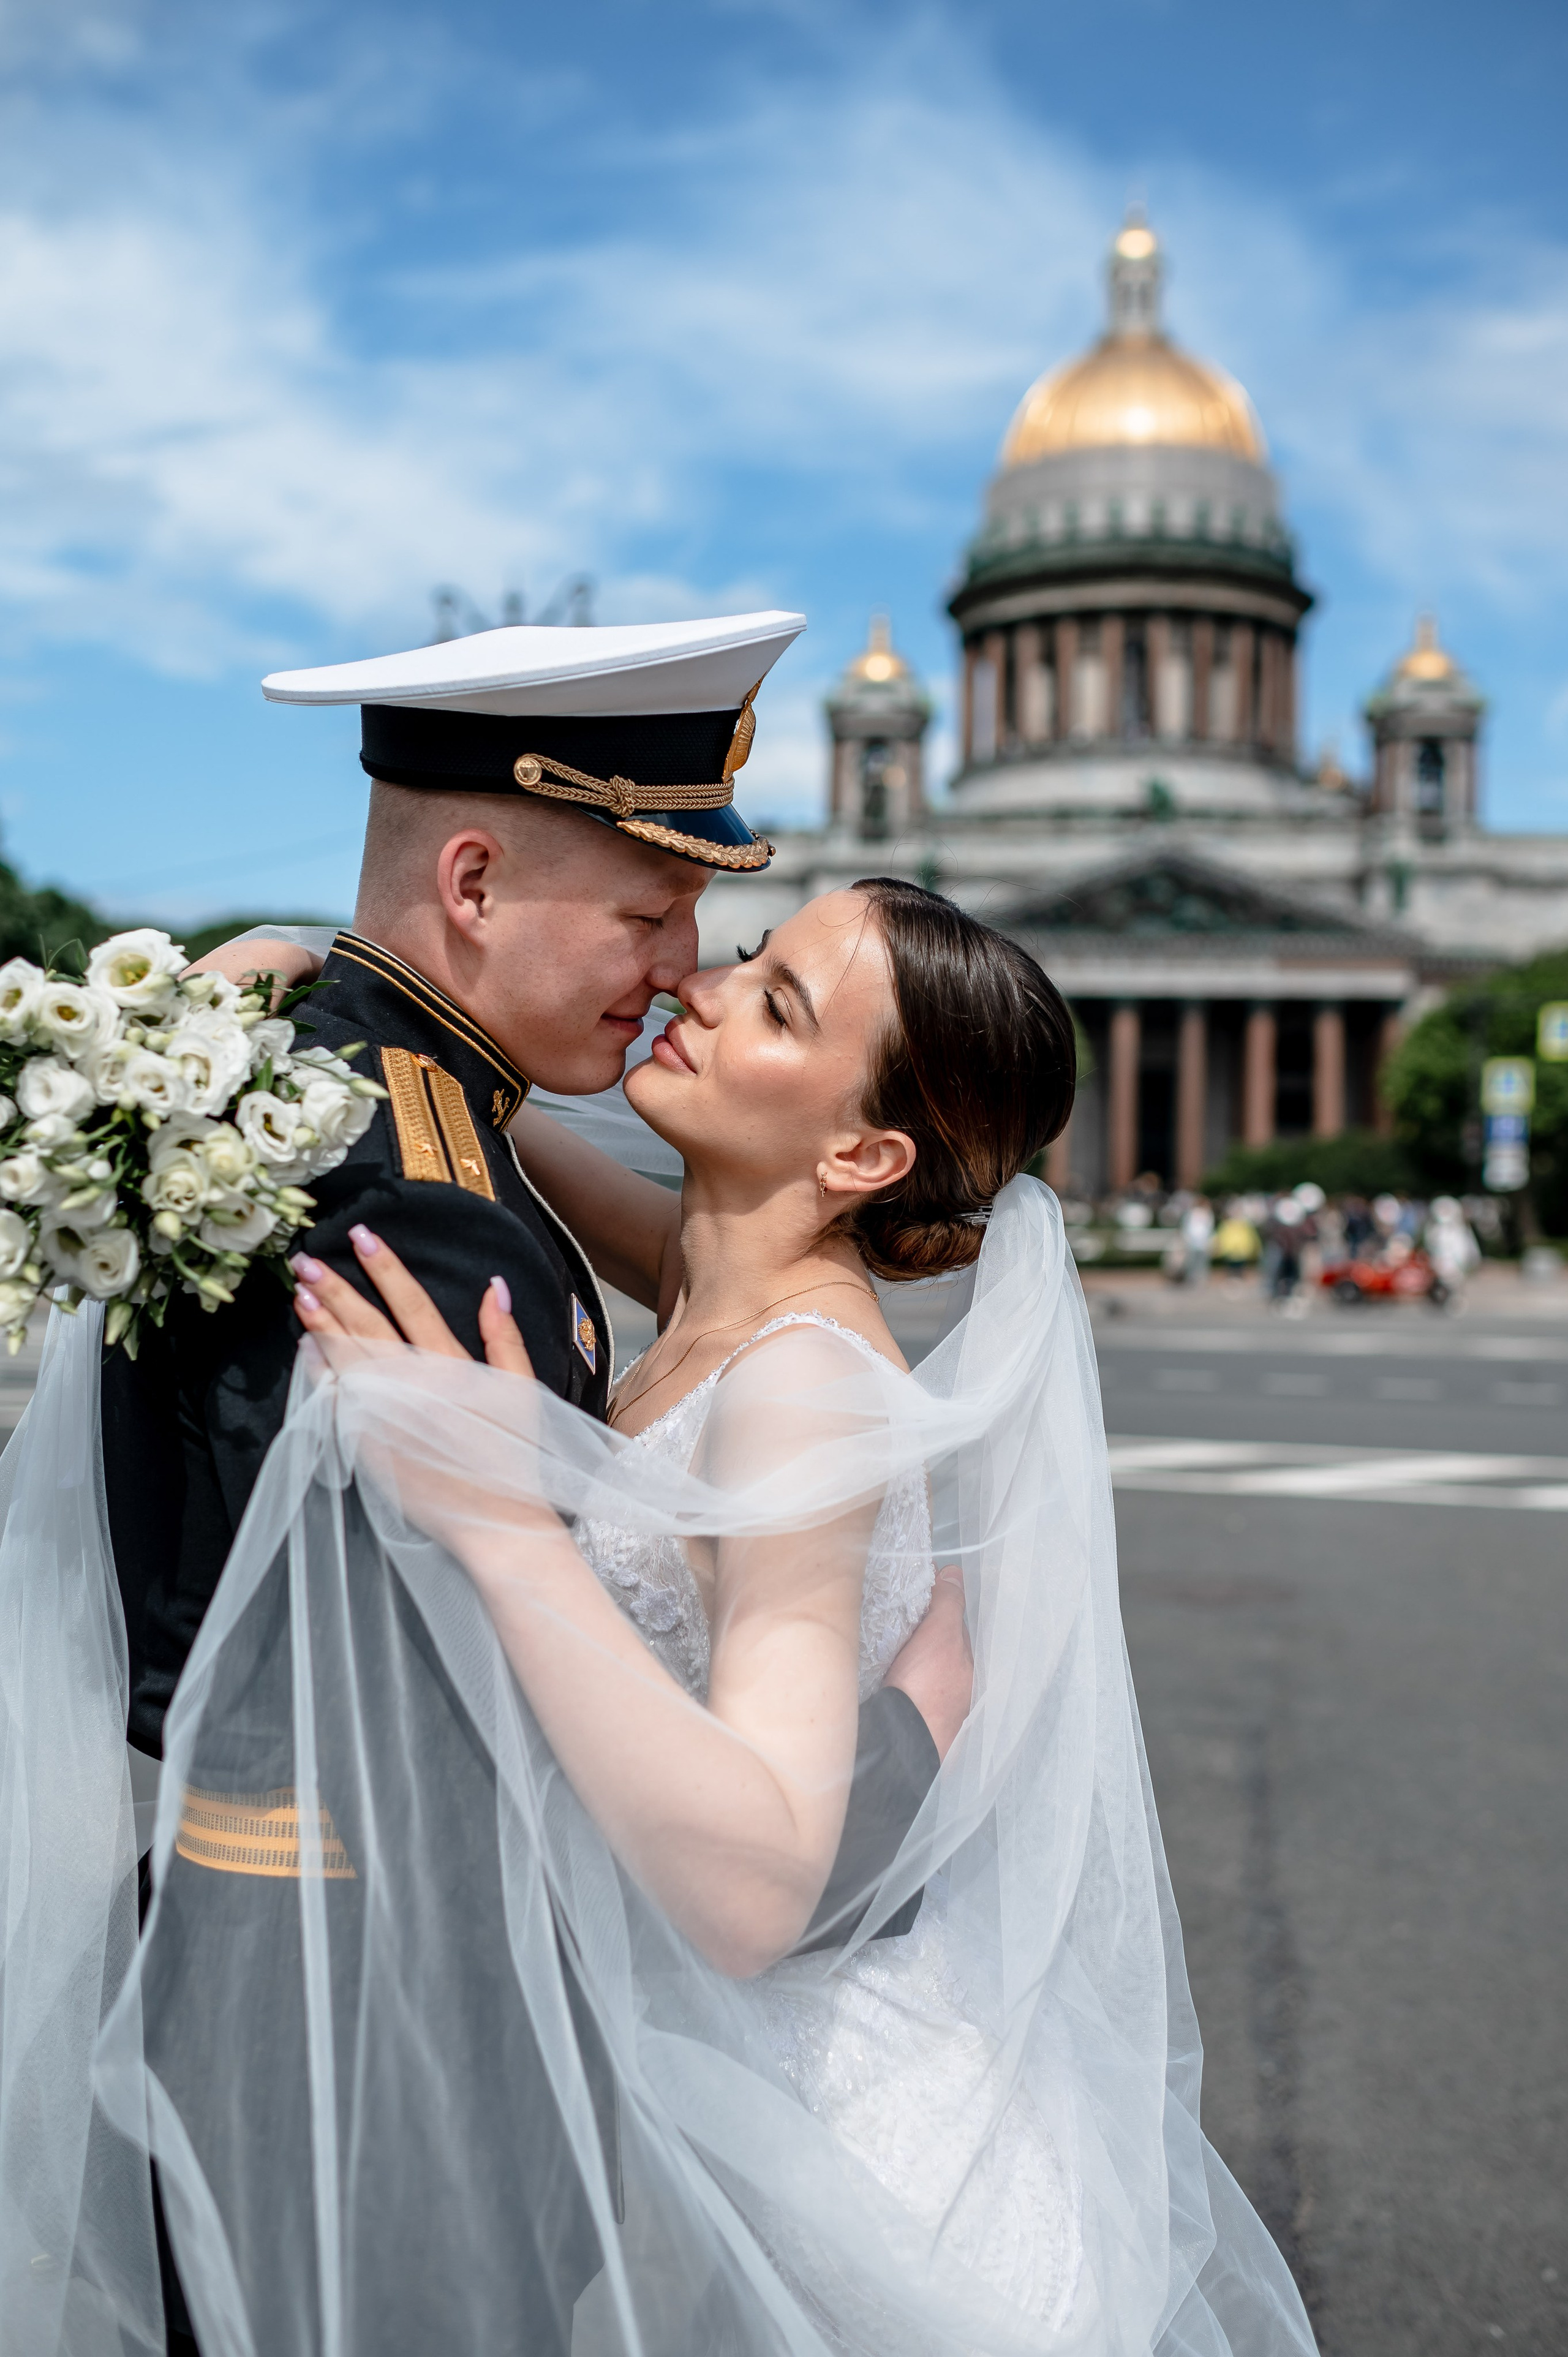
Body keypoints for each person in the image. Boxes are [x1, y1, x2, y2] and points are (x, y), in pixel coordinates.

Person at [107, 884, 1319, 2354]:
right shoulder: (712, 1276)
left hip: (848, 2170)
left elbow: (753, 1884)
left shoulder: (801, 1385)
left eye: (781, 1002)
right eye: (755, 953)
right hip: (728, 2103)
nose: (708, 983)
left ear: (863, 1151)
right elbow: (492, 1109)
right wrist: (287, 988)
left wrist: (495, 1519)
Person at [0, 617, 969, 2357]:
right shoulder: (424, 1199)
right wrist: (905, 1750)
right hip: (376, 2002)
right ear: (472, 877)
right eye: (652, 914)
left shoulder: (344, 1084)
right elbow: (520, 1700)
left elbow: (697, 1290)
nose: (681, 969)